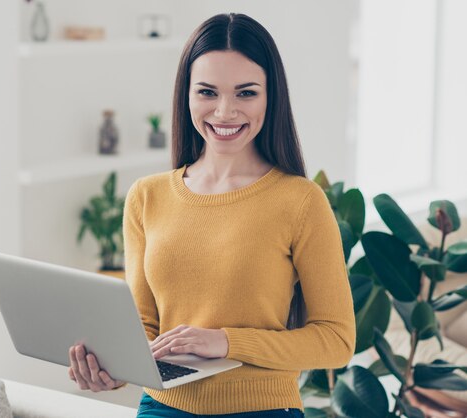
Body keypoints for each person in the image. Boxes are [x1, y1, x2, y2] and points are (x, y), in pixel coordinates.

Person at [68, 12, 356, 417]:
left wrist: (226, 341)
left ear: (271, 97)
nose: (224, 112)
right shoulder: (146, 197)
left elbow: (337, 340)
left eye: (245, 93)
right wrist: (113, 371)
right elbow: (145, 332)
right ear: (185, 95)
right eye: (207, 92)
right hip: (162, 406)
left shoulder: (301, 201)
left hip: (263, 409)